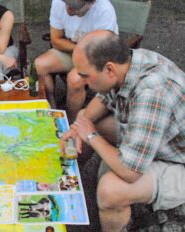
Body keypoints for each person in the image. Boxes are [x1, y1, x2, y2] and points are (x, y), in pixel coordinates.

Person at [62, 30, 185, 231]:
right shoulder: (128, 62)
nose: (80, 81)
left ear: (109, 69)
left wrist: (91, 135)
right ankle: (69, 178)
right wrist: (79, 126)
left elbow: (130, 172)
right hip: (162, 139)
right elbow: (104, 96)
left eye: (85, 76)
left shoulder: (151, 93)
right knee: (87, 117)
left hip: (178, 161)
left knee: (111, 190)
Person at [34, 0, 118, 121]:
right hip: (71, 48)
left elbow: (100, 50)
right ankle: (52, 107)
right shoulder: (59, 2)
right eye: (67, 4)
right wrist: (78, 49)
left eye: (75, 7)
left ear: (91, 3)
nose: (68, 9)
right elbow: (56, 40)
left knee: (75, 79)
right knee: (39, 65)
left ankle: (71, 120)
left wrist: (79, 52)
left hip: (96, 55)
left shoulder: (104, 10)